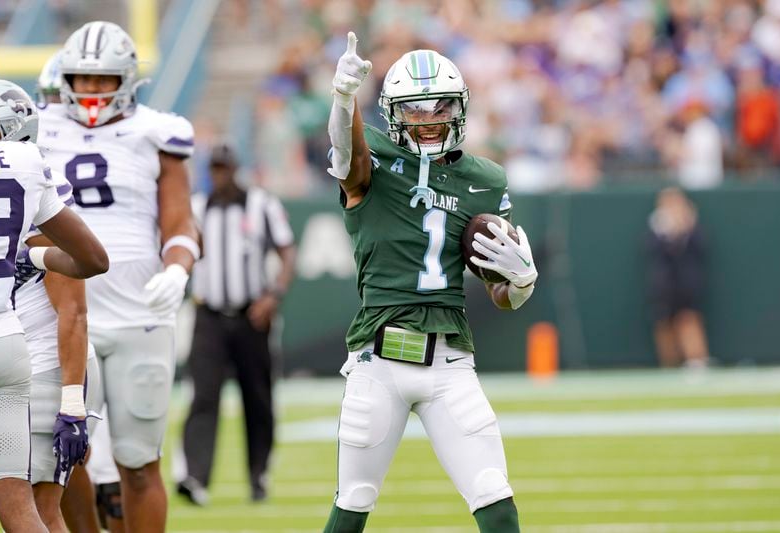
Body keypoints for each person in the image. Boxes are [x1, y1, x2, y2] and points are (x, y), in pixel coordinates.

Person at [322, 33, 538, 532]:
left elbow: (500, 295)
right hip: (379, 358)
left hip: (450, 362)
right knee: (352, 502)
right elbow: (346, 160)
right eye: (415, 111)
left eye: (439, 107)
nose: (429, 120)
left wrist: (521, 283)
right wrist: (343, 98)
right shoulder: (371, 161)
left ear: (459, 109)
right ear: (394, 115)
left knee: (495, 496)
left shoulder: (485, 179)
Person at [37, 21, 199, 533]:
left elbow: (178, 220)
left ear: (126, 79)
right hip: (61, 315)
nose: (90, 90)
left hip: (138, 313)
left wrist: (178, 268)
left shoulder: (157, 131)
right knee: (63, 456)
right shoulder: (38, 127)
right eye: (81, 79)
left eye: (102, 79)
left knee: (138, 459)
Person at [0, 66, 108, 533]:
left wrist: (71, 402)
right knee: (20, 508)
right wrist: (34, 260)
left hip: (46, 364)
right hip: (12, 349)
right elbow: (93, 259)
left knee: (37, 506)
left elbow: (74, 312)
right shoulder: (29, 172)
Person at [34, 50, 127, 533]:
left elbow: (74, 298)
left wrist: (30, 256)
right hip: (29, 343)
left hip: (48, 345)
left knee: (52, 491)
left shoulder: (37, 177)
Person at [177, 143, 295, 505]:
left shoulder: (262, 204)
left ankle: (259, 475)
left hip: (251, 315)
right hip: (208, 314)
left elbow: (287, 251)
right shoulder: (196, 207)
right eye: (214, 169)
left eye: (224, 168)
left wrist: (273, 295)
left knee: (257, 397)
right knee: (203, 396)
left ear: (235, 168)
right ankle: (195, 477)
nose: (220, 175)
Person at [646, 187, 710, 368]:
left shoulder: (692, 225)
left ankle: (696, 360)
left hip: (687, 282)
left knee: (688, 318)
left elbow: (701, 248)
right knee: (664, 323)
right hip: (664, 284)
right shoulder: (656, 227)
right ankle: (669, 363)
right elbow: (652, 251)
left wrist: (683, 230)